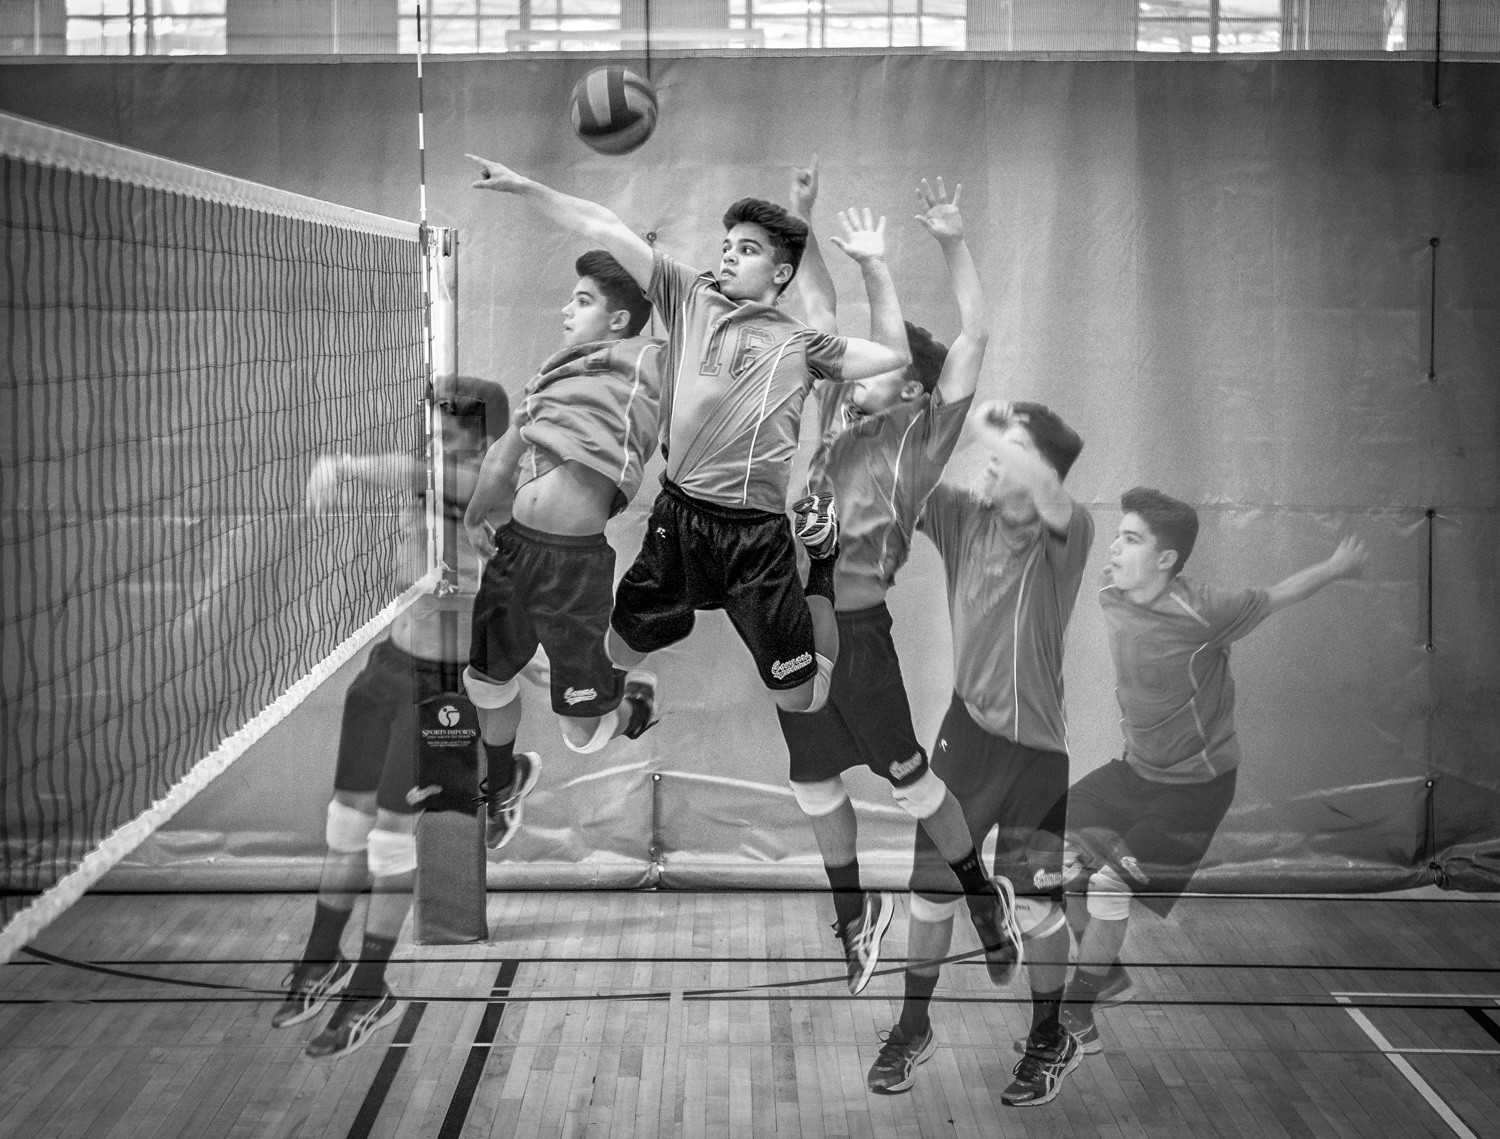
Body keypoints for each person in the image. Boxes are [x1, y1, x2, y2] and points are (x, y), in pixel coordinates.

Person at [465, 152, 912, 724]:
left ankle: (819, 567)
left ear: (781, 273)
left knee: (802, 700)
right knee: (617, 654)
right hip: (678, 523)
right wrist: (527, 187)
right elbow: (603, 225)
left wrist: (874, 265)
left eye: (747, 250)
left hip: (755, 540)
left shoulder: (801, 344)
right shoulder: (689, 296)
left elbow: (892, 357)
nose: (729, 255)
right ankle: (621, 707)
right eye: (727, 246)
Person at [779, 163, 1014, 999]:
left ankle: (983, 896)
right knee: (810, 781)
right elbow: (817, 310)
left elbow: (975, 341)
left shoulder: (918, 438)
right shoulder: (838, 419)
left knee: (910, 782)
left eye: (875, 363)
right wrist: (799, 220)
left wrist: (950, 243)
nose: (855, 367)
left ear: (910, 387)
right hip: (793, 624)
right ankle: (855, 915)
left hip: (860, 628)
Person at [1055, 488, 1368, 1055]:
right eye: (1118, 535)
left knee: (1108, 888)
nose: (1117, 547)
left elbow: (1277, 596)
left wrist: (1336, 566)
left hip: (1195, 788)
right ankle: (1110, 973)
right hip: (1134, 771)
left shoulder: (1206, 610)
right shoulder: (1111, 596)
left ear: (1167, 559)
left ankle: (1078, 1011)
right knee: (1044, 848)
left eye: (1132, 539)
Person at [867, 400, 1095, 1108]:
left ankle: (1049, 1035)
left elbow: (1050, 487)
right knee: (930, 894)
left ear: (1042, 470)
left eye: (1011, 452)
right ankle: (911, 1028)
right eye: (993, 450)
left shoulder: (1068, 530)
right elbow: (902, 476)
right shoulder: (967, 515)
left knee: (1035, 907)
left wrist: (996, 427)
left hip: (1036, 756)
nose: (992, 459)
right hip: (964, 739)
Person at [276, 375, 509, 1059]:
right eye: (432, 425)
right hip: (389, 667)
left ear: (483, 437)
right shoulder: (426, 484)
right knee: (344, 824)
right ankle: (322, 960)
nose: (435, 438)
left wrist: (342, 465)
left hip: (444, 690)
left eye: (451, 429)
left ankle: (371, 986)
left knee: (389, 841)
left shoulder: (487, 490)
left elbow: (417, 473)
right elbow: (415, 475)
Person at [462, 251, 666, 845]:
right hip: (515, 549)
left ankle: (632, 708)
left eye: (583, 301)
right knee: (485, 681)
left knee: (582, 729)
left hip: (573, 567)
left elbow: (702, 318)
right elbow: (506, 450)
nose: (566, 309)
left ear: (621, 320)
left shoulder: (648, 364)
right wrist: (479, 513)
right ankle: (502, 785)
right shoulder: (552, 374)